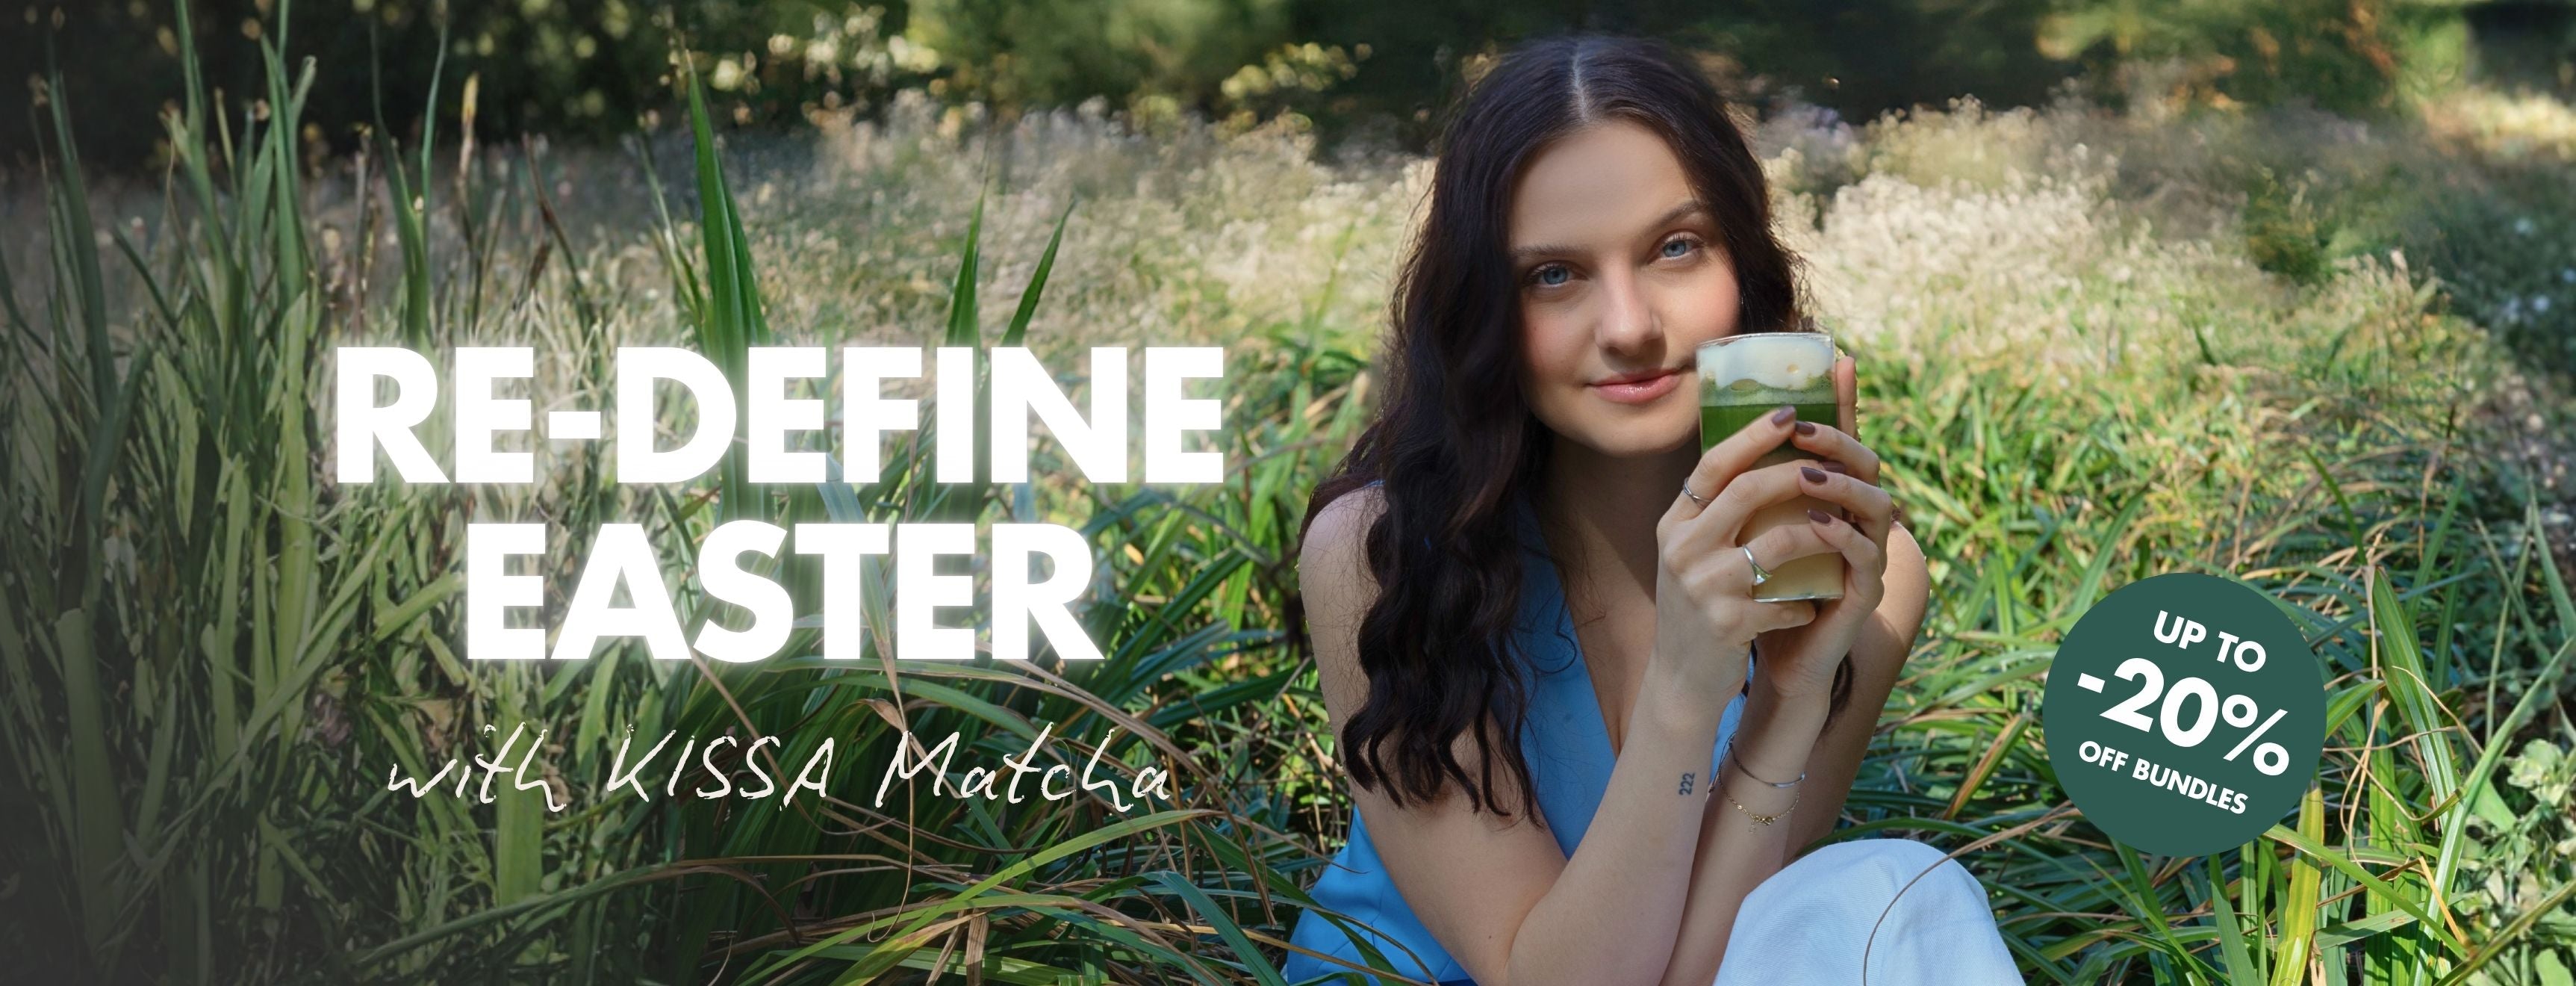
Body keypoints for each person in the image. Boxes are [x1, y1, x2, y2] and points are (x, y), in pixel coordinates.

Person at [1280, 34, 2022, 986]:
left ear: (1743, 269)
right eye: (1555, 274)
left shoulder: (1862, 585)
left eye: (1676, 248)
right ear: (1482, 312)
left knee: (1888, 893)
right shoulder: (1383, 556)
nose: (1629, 327)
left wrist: (1789, 699)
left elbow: (1716, 966)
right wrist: (1684, 687)